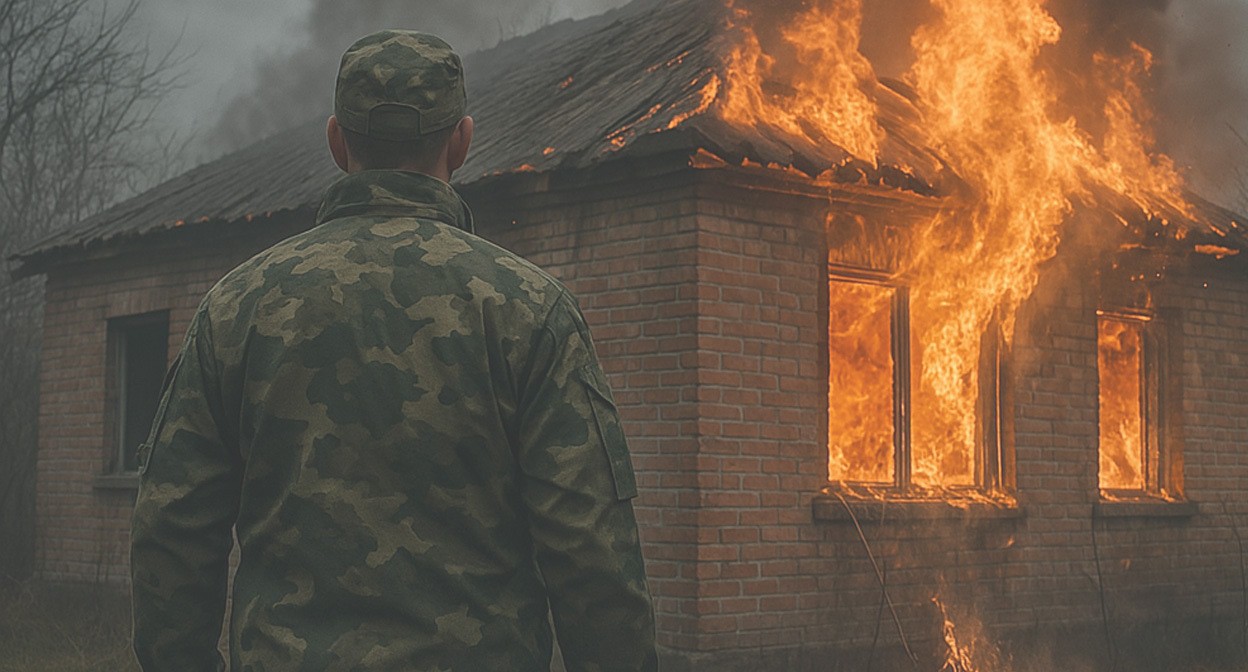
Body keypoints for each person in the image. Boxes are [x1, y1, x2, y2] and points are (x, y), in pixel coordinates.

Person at [130, 30, 657, 672]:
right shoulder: (527, 308)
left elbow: (172, 531)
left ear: (335, 141)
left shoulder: (235, 308)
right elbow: (591, 552)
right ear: (461, 142)